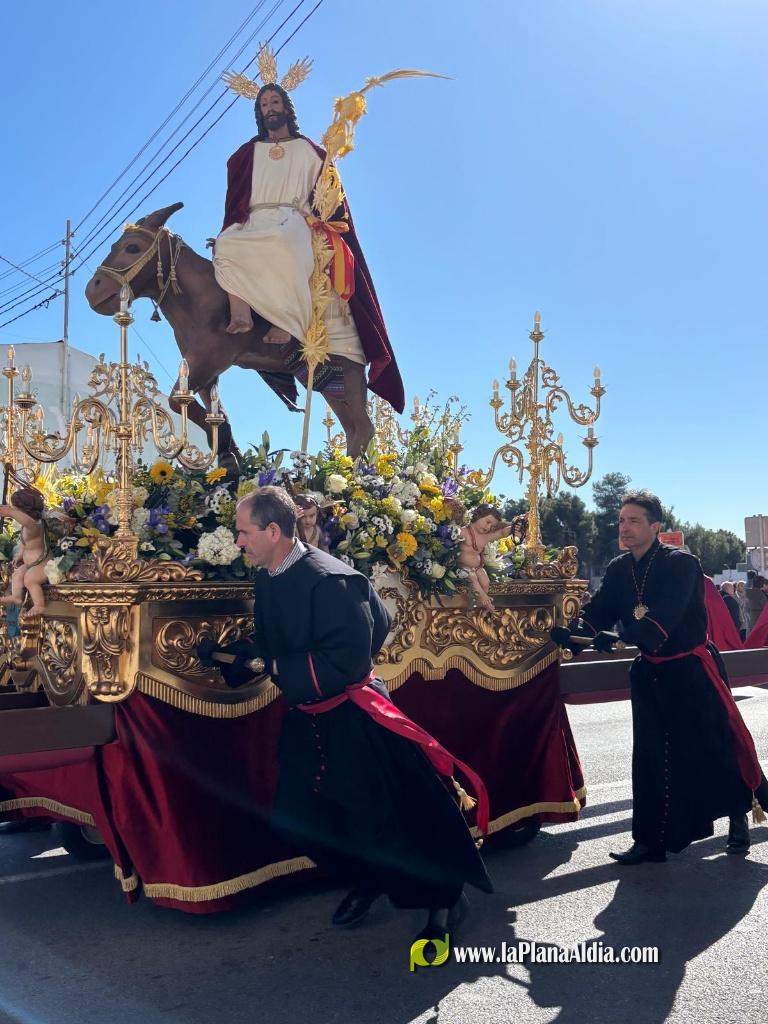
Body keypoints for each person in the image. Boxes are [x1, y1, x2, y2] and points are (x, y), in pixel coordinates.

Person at [203, 486, 492, 941]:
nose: (238, 541)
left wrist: (276, 665)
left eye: (243, 532)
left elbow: (351, 659)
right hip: (309, 716)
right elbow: (278, 642)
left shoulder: (331, 578)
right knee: (299, 820)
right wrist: (237, 656)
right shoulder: (269, 576)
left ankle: (445, 901)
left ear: (273, 530)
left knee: (391, 824)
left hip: (355, 720)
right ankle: (368, 878)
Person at [552, 489, 767, 864]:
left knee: (714, 750)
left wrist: (623, 637)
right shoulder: (620, 569)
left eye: (634, 520)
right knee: (649, 758)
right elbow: (600, 611)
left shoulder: (681, 563)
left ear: (655, 526)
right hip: (651, 674)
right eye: (621, 520)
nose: (625, 527)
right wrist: (573, 632)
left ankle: (739, 818)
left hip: (691, 671)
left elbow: (664, 616)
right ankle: (650, 841)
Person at [214, 78, 404, 426]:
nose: (270, 108)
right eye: (264, 105)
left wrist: (321, 207)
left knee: (287, 243)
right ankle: (240, 313)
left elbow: (329, 196)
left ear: (286, 107)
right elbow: (234, 201)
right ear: (259, 113)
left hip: (294, 218)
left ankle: (287, 324)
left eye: (275, 102)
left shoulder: (310, 150)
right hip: (256, 219)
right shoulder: (247, 154)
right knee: (226, 243)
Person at [0, 488, 50, 617]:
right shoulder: (26, 528)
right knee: (17, 574)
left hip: (42, 563)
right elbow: (25, 543)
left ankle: (39, 605)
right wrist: (19, 555)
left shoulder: (35, 525)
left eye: (16, 509)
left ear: (24, 510)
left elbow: (26, 521)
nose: (14, 511)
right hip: (30, 564)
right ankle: (16, 597)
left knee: (30, 580)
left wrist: (11, 513)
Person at [457, 504, 516, 610]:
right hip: (462, 566)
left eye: (492, 526)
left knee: (485, 581)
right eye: (488, 522)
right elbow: (451, 541)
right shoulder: (463, 532)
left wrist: (515, 527)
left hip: (477, 567)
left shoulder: (485, 536)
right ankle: (485, 600)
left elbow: (502, 533)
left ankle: (479, 605)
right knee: (473, 578)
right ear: (478, 515)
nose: (488, 527)